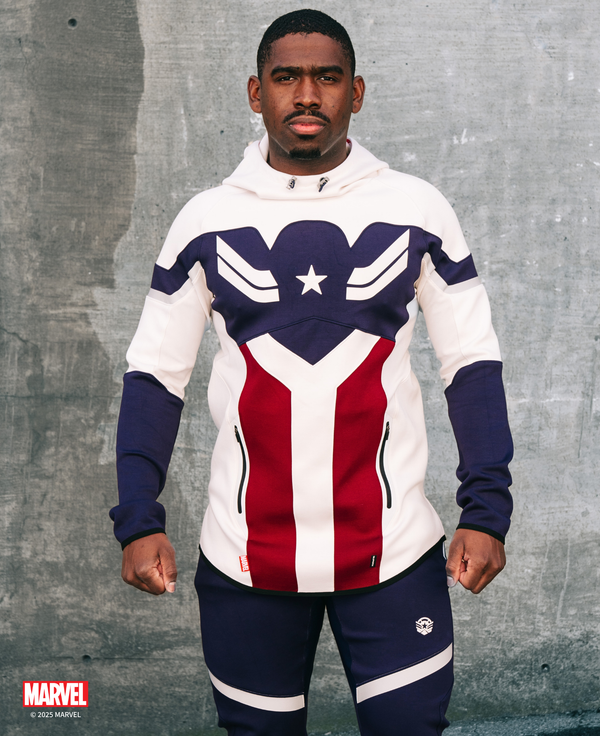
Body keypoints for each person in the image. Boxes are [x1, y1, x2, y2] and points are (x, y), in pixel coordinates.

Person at [110, 9, 513, 735]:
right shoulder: (204, 221)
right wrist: (138, 518)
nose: (306, 95)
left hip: (395, 554)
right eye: (285, 77)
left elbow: (472, 365)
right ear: (255, 91)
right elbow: (154, 379)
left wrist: (486, 512)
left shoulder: (417, 208)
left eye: (327, 77)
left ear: (355, 92)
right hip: (245, 561)